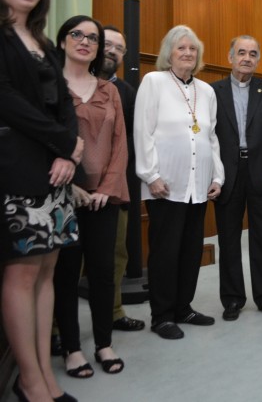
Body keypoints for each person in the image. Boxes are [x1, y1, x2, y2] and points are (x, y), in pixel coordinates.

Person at [0, 0, 82, 402]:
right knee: (22, 274)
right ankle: (29, 381)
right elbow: (7, 100)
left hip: (56, 172)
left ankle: (47, 378)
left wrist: (70, 153)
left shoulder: (43, 43)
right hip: (17, 167)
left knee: (48, 269)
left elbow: (65, 104)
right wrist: (62, 142)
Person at [134, 25, 224, 340]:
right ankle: (161, 316)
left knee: (190, 250)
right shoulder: (154, 82)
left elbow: (211, 137)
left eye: (192, 49)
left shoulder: (207, 90)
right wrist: (151, 175)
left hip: (198, 186)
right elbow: (142, 132)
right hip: (165, 185)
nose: (187, 53)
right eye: (181, 48)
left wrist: (218, 176)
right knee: (164, 252)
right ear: (168, 54)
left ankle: (183, 307)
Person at [53, 15, 129, 377]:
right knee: (65, 275)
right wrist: (75, 188)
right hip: (61, 195)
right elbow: (41, 143)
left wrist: (105, 189)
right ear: (64, 40)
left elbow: (120, 146)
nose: (84, 42)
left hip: (104, 198)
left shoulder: (108, 89)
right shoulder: (48, 87)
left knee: (102, 273)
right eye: (76, 35)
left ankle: (103, 343)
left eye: (93, 38)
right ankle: (71, 348)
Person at [211, 35, 262, 320]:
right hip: (227, 174)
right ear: (230, 57)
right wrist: (212, 175)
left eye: (253, 53)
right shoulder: (213, 91)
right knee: (228, 238)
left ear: (258, 59)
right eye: (241, 53)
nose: (247, 58)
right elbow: (208, 137)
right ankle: (232, 299)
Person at [99, 25, 145, 332]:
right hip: (71, 186)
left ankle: (114, 312)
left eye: (119, 48)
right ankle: (56, 328)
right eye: (107, 44)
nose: (112, 51)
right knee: (66, 260)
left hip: (117, 187)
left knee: (117, 253)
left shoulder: (128, 92)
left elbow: (132, 142)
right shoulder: (66, 83)